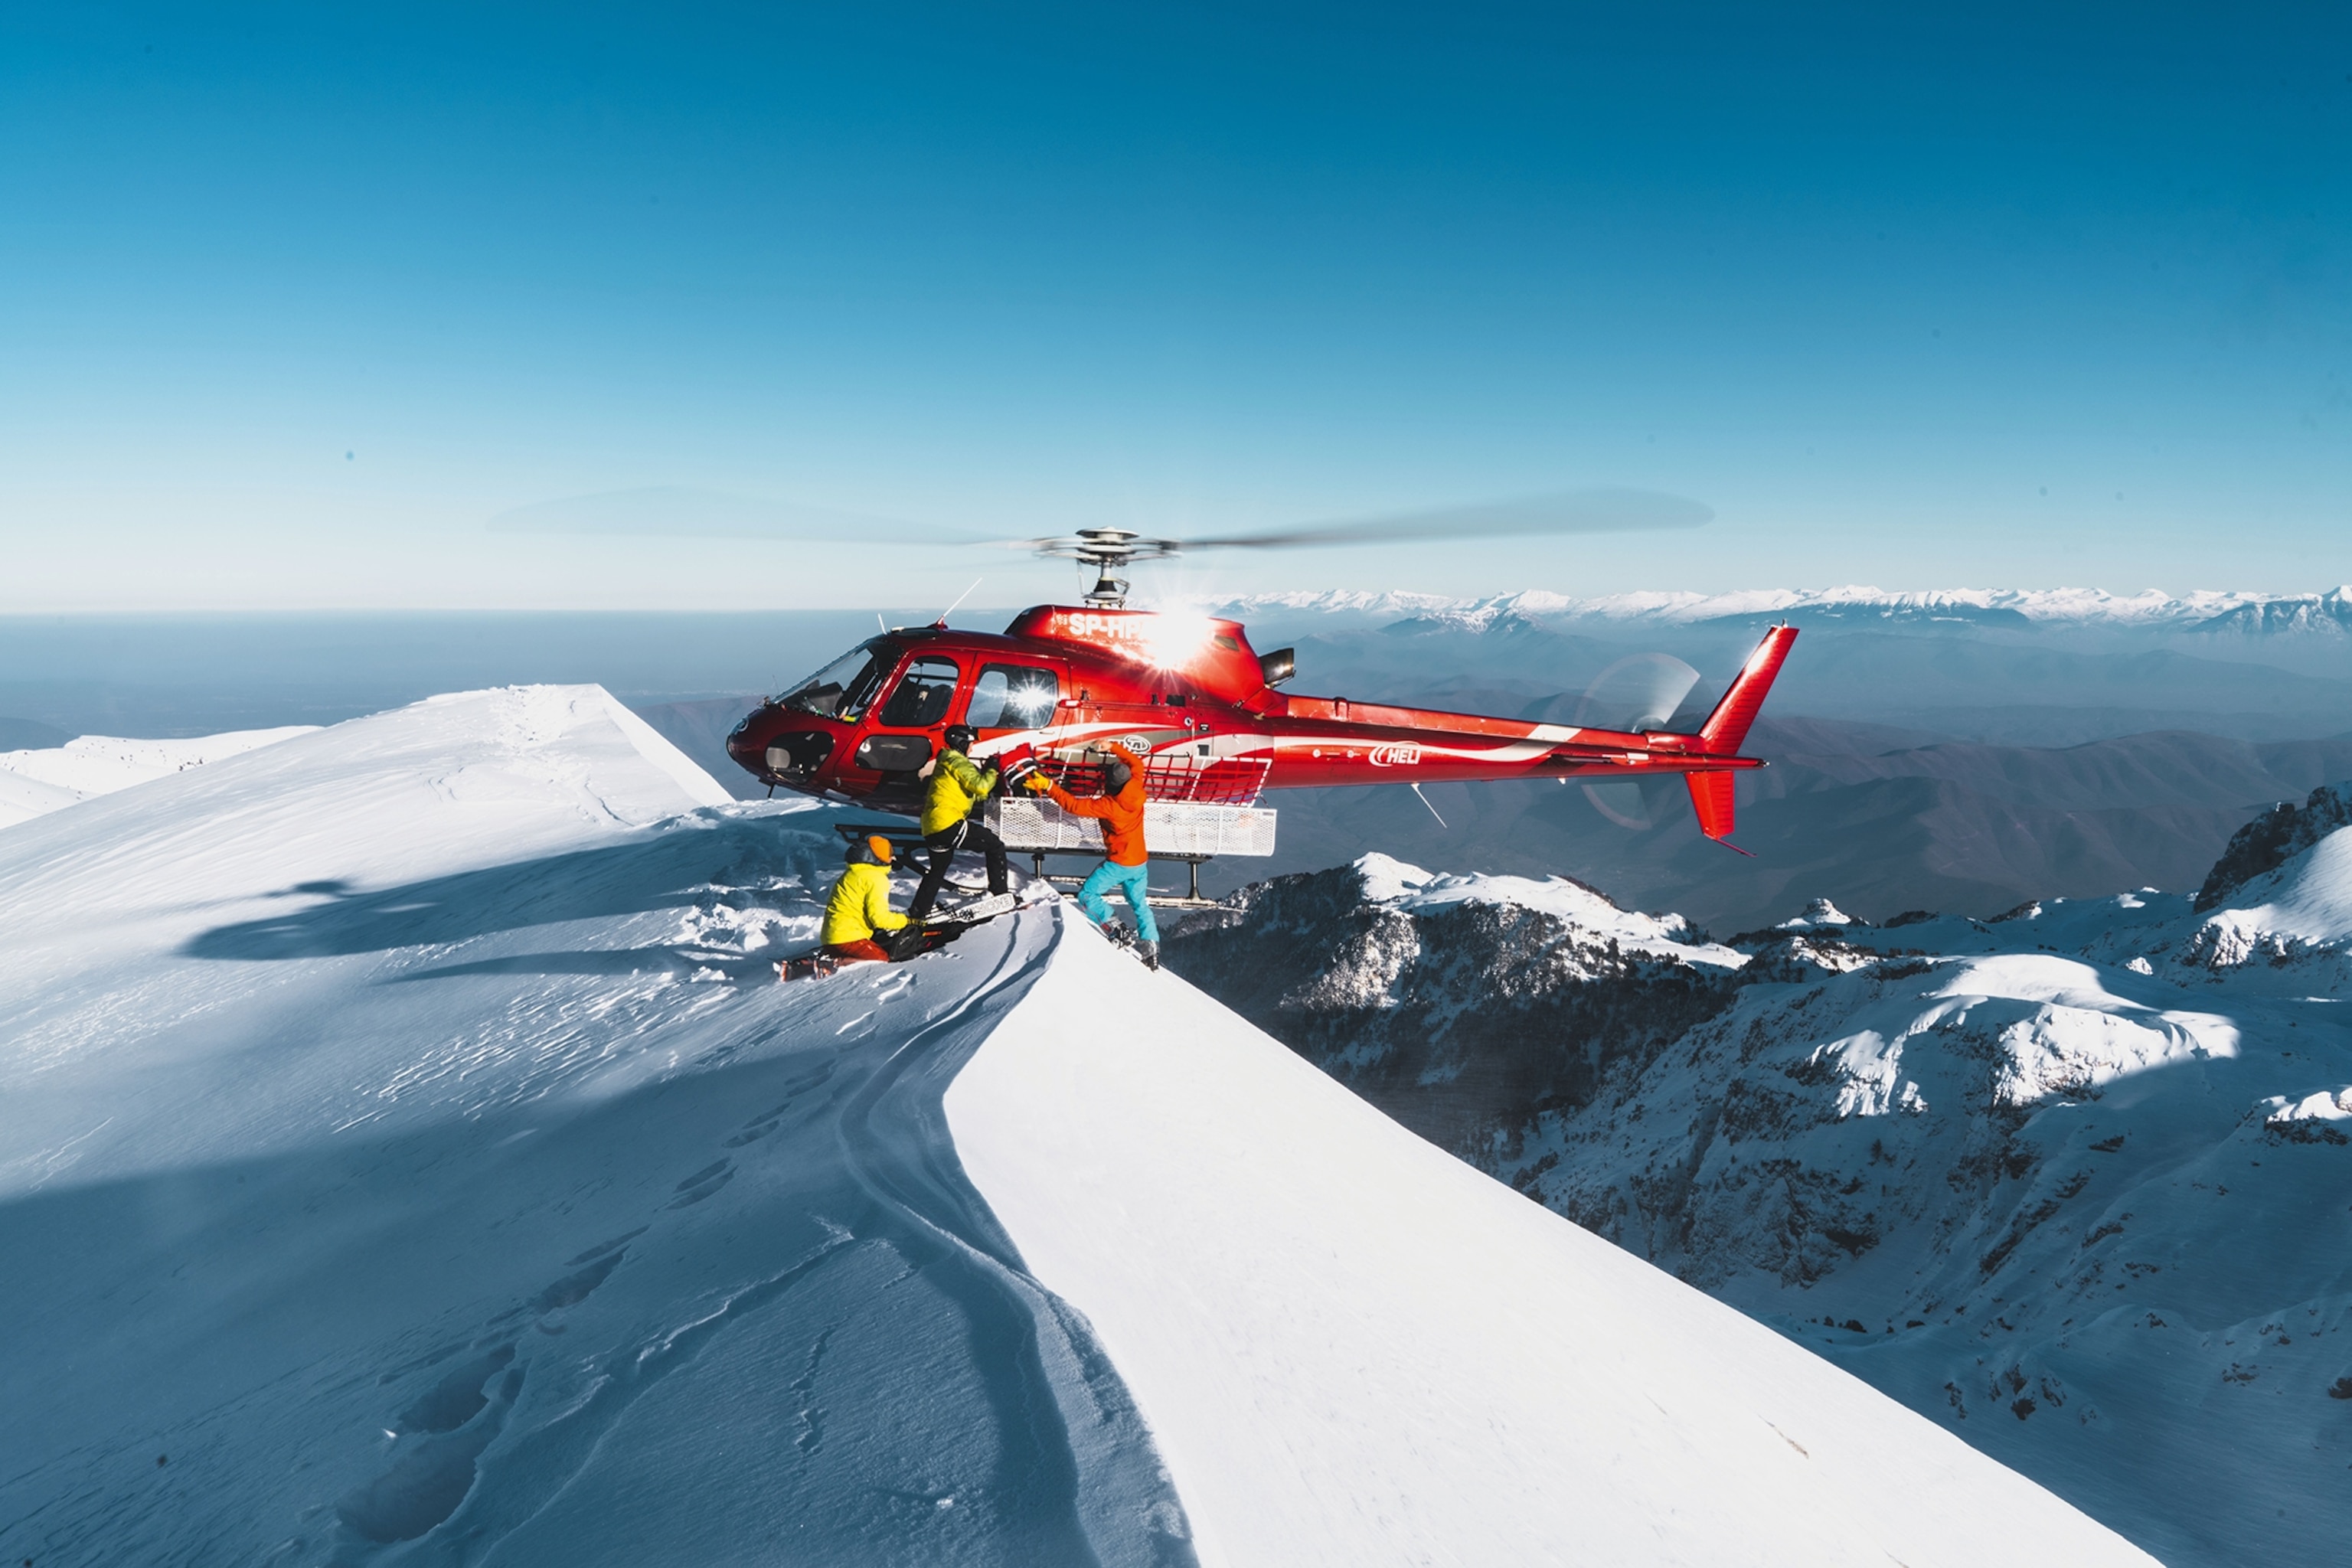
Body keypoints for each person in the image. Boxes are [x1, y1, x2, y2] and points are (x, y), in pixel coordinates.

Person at [1025, 740, 1158, 969]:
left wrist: (1049, 785)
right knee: (1139, 904)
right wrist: (1111, 747)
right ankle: (1152, 947)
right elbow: (1136, 763)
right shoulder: (1136, 786)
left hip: (1119, 863)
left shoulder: (1109, 805)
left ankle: (1116, 928)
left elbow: (1074, 806)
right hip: (1140, 862)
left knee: (1088, 895)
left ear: (1110, 785)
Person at [909, 723, 1010, 920]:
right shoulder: (958, 761)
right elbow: (981, 787)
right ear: (962, 743)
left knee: (937, 870)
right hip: (949, 822)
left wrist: (987, 781)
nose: (972, 749)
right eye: (971, 744)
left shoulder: (946, 762)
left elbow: (973, 793)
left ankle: (918, 912)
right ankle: (1000, 895)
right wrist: (992, 770)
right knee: (995, 846)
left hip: (932, 826)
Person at [818, 835, 928, 963]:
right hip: (850, 939)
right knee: (881, 963)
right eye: (888, 854)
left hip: (831, 937)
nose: (892, 857)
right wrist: (906, 921)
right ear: (878, 857)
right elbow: (879, 919)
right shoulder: (875, 878)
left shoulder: (851, 874)